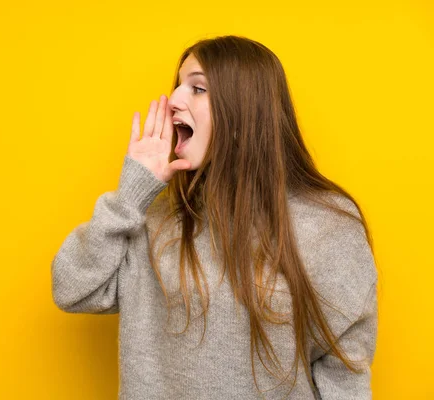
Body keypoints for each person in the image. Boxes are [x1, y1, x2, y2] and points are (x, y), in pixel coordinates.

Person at [51, 35, 379, 399]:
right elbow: (72, 289)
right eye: (178, 86)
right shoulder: (157, 219)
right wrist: (131, 193)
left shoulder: (326, 226)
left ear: (243, 111)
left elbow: (344, 370)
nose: (173, 100)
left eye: (197, 89)